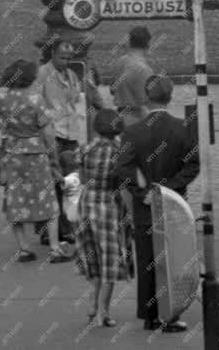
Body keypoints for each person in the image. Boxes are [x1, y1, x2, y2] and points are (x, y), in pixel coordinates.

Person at [114, 75, 200, 333]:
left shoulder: (132, 132)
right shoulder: (183, 128)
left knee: (148, 260)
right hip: (173, 204)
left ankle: (149, 315)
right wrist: (169, 189)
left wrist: (144, 193)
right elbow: (193, 165)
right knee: (173, 258)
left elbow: (123, 169)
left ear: (146, 98)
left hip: (144, 206)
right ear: (170, 97)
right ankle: (170, 314)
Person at [0, 59, 72, 264]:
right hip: (36, 155)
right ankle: (55, 249)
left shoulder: (1, 98)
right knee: (48, 202)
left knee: (15, 199)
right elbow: (48, 131)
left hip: (12, 155)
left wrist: (3, 127)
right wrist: (53, 158)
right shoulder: (35, 99)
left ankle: (25, 249)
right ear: (30, 78)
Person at [75, 109, 134, 328]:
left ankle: (93, 301)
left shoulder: (85, 149)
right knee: (110, 259)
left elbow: (82, 178)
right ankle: (104, 312)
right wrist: (132, 216)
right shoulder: (119, 152)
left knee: (93, 255)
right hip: (109, 207)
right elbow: (123, 186)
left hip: (87, 202)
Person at [33, 39, 92, 244]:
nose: (65, 62)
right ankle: (47, 232)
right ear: (52, 54)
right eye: (62, 57)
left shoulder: (72, 75)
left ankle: (66, 228)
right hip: (51, 136)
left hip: (71, 136)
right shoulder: (41, 74)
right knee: (51, 185)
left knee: (70, 184)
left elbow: (77, 102)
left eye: (69, 58)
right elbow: (34, 105)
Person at [109, 26, 154, 128]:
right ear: (148, 44)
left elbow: (112, 90)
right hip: (138, 120)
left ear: (130, 42)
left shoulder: (120, 62)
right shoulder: (145, 70)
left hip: (120, 119)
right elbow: (145, 104)